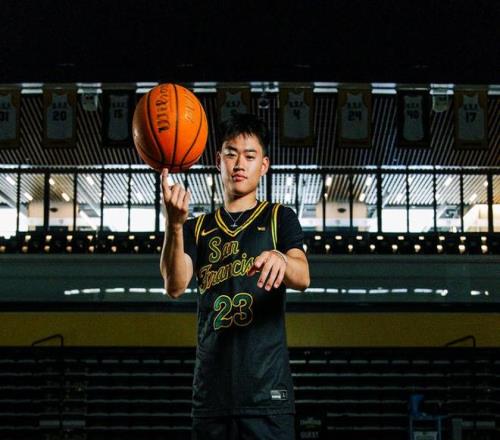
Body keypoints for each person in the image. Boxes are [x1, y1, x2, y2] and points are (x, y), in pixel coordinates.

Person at [160, 113, 310, 439]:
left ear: (264, 165)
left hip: (266, 395)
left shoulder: (279, 217)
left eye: (250, 156)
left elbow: (303, 276)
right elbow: (175, 285)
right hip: (211, 396)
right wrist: (173, 224)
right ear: (219, 160)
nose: (239, 164)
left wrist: (282, 259)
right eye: (231, 154)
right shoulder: (196, 227)